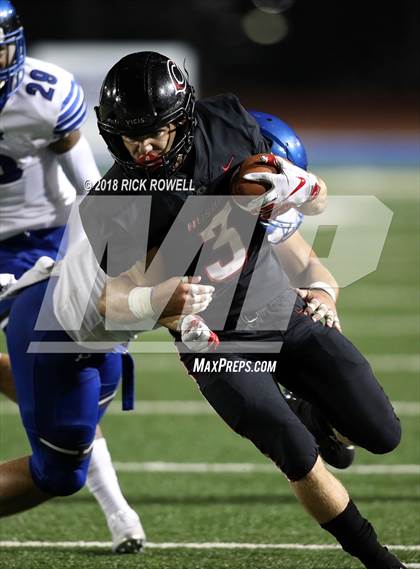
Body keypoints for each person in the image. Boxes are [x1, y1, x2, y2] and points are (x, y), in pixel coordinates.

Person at [77, 51, 405, 569]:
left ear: (182, 118)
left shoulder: (229, 125)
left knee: (383, 434)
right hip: (213, 342)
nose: (140, 148)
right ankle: (379, 561)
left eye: (153, 133)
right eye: (128, 137)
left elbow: (313, 204)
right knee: (296, 452)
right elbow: (113, 301)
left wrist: (299, 193)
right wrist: (154, 300)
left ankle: (312, 414)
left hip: (277, 307)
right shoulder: (113, 198)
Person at [0, 1, 144, 552]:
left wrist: (80, 261)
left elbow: (89, 189)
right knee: (41, 382)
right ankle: (119, 510)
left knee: (64, 376)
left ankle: (117, 508)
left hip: (44, 239)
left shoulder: (43, 94)